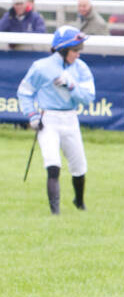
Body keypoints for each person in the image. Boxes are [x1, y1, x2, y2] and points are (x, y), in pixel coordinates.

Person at [17, 26, 95, 214]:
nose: (78, 54)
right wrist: (33, 116)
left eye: (80, 49)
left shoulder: (82, 68)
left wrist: (71, 85)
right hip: (48, 119)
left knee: (78, 166)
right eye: (75, 50)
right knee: (53, 164)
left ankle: (79, 202)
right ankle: (55, 212)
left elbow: (88, 98)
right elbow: (24, 92)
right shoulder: (41, 67)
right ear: (63, 49)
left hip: (70, 119)